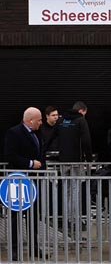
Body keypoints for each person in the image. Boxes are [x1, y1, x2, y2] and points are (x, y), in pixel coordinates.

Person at [4, 107, 47, 261]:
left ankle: (34, 247)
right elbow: (9, 155)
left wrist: (43, 169)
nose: (42, 123)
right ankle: (15, 249)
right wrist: (30, 164)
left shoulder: (38, 134)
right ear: (30, 121)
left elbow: (41, 154)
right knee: (16, 216)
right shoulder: (13, 133)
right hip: (18, 180)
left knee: (34, 216)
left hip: (35, 181)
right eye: (39, 120)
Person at [57, 101, 93, 233]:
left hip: (63, 161)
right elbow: (86, 140)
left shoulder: (61, 121)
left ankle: (66, 219)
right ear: (82, 111)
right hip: (76, 161)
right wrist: (88, 158)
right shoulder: (80, 121)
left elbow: (52, 137)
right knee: (75, 190)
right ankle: (75, 220)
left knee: (65, 190)